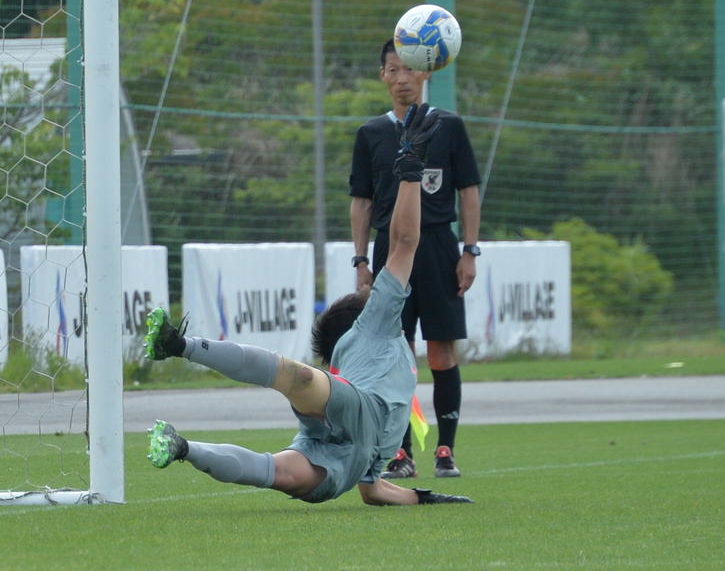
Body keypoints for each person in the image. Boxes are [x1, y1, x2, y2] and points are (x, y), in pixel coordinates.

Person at [145, 104, 471, 508]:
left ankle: (181, 447)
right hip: (355, 417)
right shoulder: (376, 325)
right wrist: (409, 172)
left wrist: (424, 499)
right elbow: (405, 242)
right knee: (295, 380)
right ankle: (180, 347)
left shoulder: (364, 349)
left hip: (344, 456)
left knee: (276, 470)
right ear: (362, 317)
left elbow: (374, 490)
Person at [348, 39, 482, 479]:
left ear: (426, 72)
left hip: (440, 248)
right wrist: (361, 260)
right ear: (382, 76)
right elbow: (362, 200)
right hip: (391, 250)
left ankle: (445, 449)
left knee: (441, 354)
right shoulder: (371, 134)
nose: (402, 78)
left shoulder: (449, 126)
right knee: (395, 356)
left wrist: (469, 250)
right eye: (392, 70)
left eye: (409, 69)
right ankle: (400, 452)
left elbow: (468, 191)